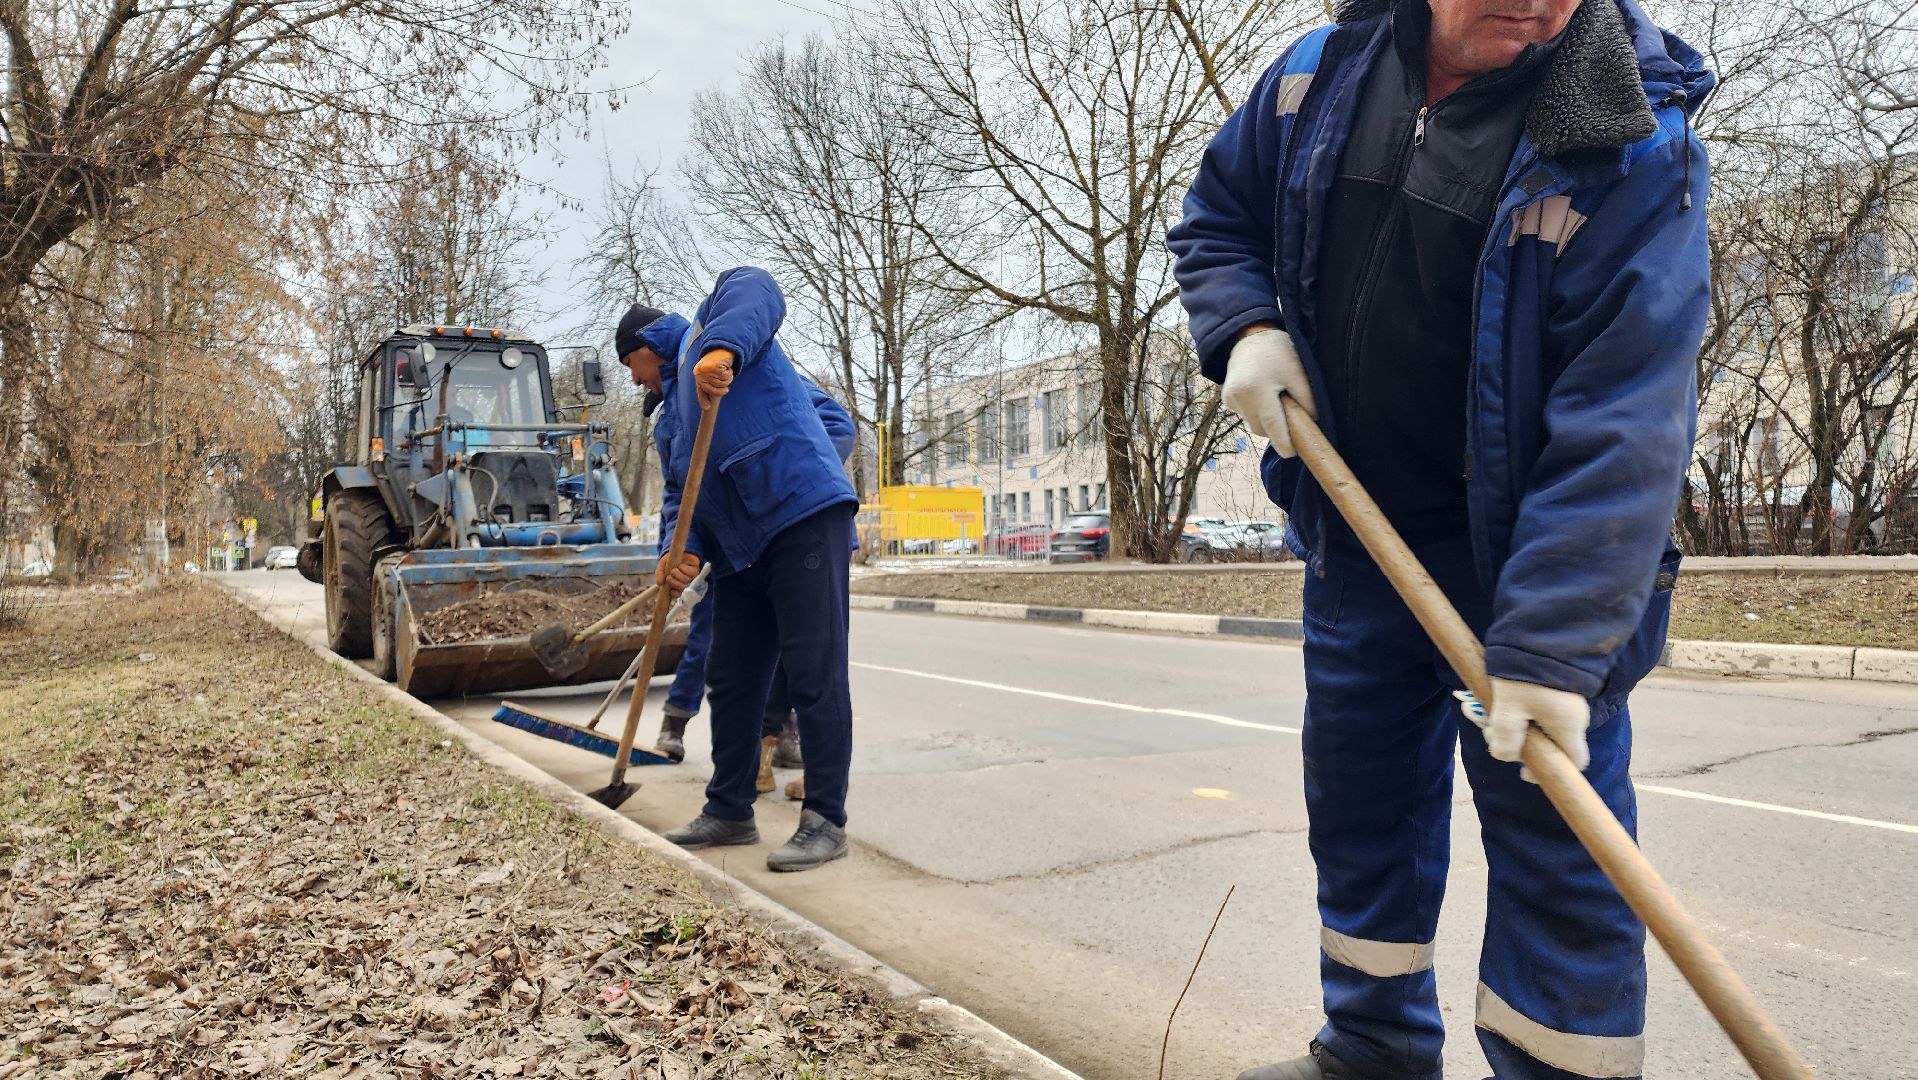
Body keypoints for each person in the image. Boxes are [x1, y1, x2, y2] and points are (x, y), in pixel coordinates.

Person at [1168, 0, 1711, 1076]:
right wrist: (1244, 325)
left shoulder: (1629, 141)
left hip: (1529, 570)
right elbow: (1217, 217)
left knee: (1563, 868)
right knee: (1363, 819)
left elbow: (1626, 415)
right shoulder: (1313, 80)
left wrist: (1552, 647)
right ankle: (1369, 1051)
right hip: (1358, 543)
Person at [614, 271, 860, 872]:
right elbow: (683, 495)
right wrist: (679, 551)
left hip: (800, 519)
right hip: (739, 549)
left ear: (645, 347)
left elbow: (759, 288)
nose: (633, 378)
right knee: (731, 677)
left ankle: (826, 819)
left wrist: (722, 349)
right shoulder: (672, 415)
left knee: (813, 672)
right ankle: (730, 810)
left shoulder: (713, 330)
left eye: (631, 365)